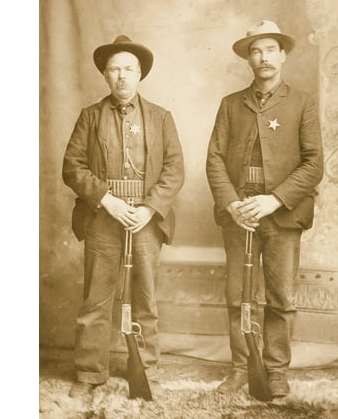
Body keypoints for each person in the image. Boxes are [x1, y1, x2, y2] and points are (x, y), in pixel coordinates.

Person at [206, 20, 323, 397]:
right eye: (256, 51)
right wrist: (232, 203)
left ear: (283, 55)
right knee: (237, 295)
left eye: (270, 49)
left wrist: (273, 200)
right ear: (248, 59)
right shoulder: (230, 104)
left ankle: (275, 371)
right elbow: (215, 161)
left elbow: (314, 163)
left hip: (282, 213)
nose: (263, 57)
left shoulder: (302, 103)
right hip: (240, 213)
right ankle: (241, 367)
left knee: (280, 298)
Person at [62, 35, 184, 397]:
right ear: (104, 75)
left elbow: (175, 169)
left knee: (145, 297)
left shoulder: (161, 117)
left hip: (146, 220)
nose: (121, 77)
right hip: (103, 217)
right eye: (114, 69)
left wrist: (148, 209)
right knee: (96, 300)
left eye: (128, 69)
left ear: (140, 74)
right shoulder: (90, 116)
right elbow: (72, 167)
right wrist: (106, 200)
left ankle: (144, 371)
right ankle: (89, 374)